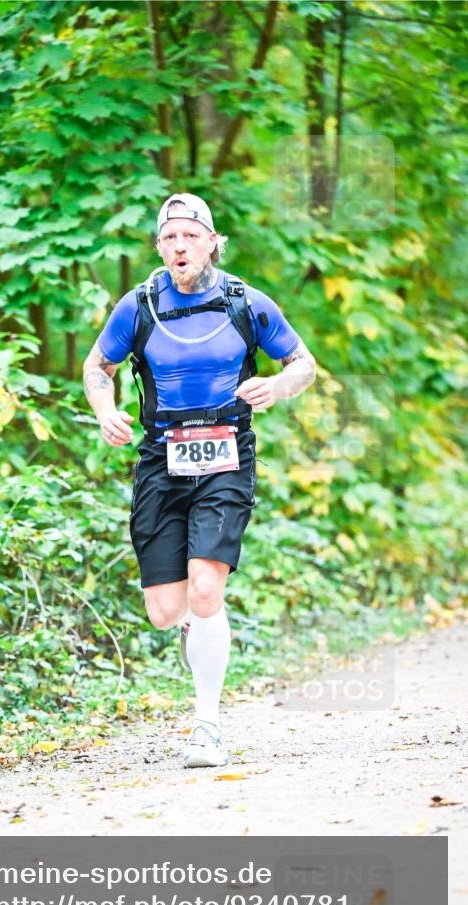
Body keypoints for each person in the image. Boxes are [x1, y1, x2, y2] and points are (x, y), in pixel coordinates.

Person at [83, 193, 316, 768]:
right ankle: (200, 626)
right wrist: (104, 409)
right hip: (161, 459)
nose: (179, 246)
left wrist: (278, 388)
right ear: (159, 246)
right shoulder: (138, 307)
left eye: (190, 236)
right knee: (166, 609)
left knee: (207, 590)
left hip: (226, 455)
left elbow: (303, 364)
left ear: (213, 242)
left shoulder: (245, 302)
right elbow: (97, 367)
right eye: (169, 238)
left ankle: (207, 726)